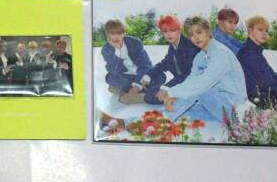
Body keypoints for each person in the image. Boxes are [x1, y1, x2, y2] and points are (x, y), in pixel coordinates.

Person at [100, 16, 249, 133]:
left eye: (199, 32)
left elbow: (202, 83)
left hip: (235, 109)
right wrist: (173, 96)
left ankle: (141, 123)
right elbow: (191, 79)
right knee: (179, 113)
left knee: (199, 91)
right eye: (191, 35)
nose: (196, 38)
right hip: (216, 106)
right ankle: (127, 123)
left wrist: (171, 92)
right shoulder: (201, 56)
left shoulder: (220, 53)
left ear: (209, 32)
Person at [140, 15, 200, 105]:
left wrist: (166, 88)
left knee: (152, 96)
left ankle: (143, 97)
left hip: (193, 84)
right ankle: (148, 94)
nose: (169, 34)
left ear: (179, 30)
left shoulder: (189, 46)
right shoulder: (173, 46)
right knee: (154, 78)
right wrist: (148, 75)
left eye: (172, 30)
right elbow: (164, 63)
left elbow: (188, 74)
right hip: (180, 83)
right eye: (165, 31)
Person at [101, 19, 153, 104]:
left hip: (141, 73)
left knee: (157, 76)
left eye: (119, 33)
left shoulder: (135, 43)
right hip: (126, 77)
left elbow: (145, 65)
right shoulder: (106, 50)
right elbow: (114, 71)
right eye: (113, 33)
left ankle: (126, 92)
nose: (116, 36)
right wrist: (118, 51)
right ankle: (142, 93)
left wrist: (137, 85)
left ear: (124, 33)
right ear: (108, 34)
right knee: (109, 78)